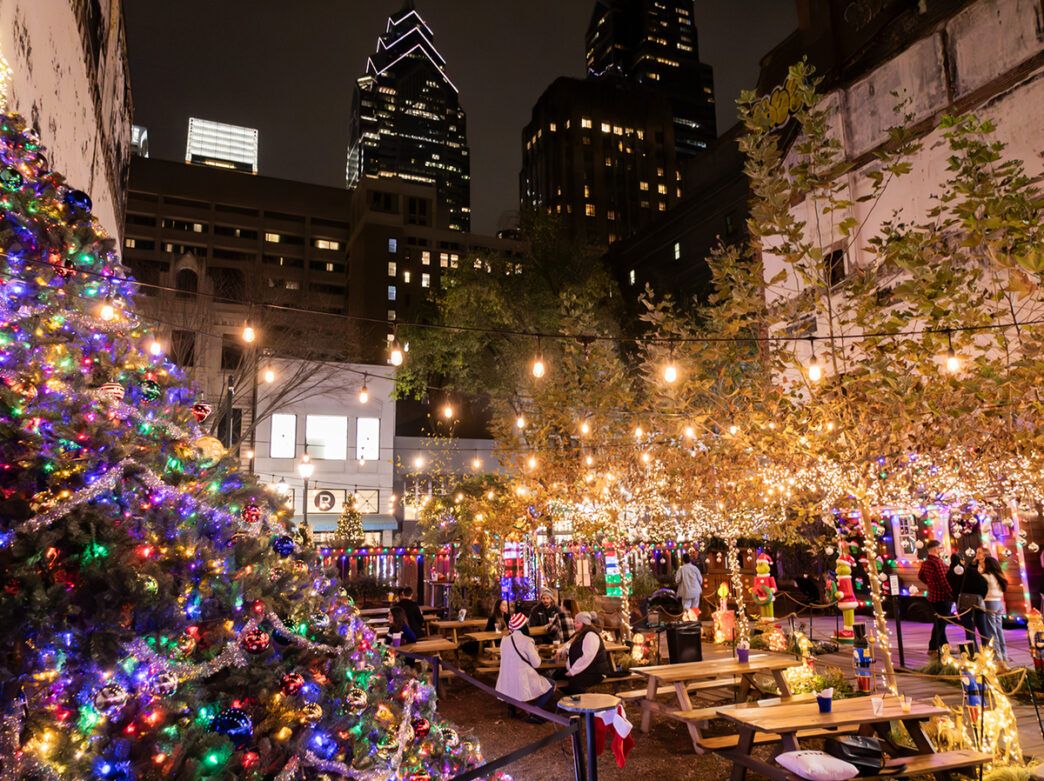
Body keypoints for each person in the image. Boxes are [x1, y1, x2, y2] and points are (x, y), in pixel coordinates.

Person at [496, 613, 555, 722]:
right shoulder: (527, 641)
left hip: (506, 679)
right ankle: (535, 713)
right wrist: (535, 652)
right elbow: (537, 664)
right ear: (524, 626)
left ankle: (511, 709)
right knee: (552, 685)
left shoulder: (504, 640)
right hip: (523, 678)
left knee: (512, 683)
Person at [554, 612, 610, 695]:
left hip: (595, 671)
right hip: (585, 668)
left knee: (574, 683)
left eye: (577, 622)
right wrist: (560, 652)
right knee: (557, 676)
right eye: (574, 622)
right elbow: (568, 644)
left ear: (584, 624)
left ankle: (580, 703)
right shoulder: (579, 634)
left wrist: (573, 671)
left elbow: (587, 657)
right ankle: (568, 698)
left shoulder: (590, 635)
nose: (574, 624)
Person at [918, 540, 954, 657]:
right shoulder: (938, 563)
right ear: (935, 550)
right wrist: (952, 594)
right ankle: (932, 647)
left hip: (932, 596)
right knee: (940, 623)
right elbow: (944, 581)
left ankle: (945, 646)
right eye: (940, 548)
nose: (941, 550)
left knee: (940, 622)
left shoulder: (926, 563)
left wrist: (931, 585)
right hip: (942, 597)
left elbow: (921, 576)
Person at [956, 550, 988, 651]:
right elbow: (984, 587)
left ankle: (974, 653)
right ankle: (987, 652)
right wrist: (981, 596)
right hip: (978, 601)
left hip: (964, 602)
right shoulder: (978, 574)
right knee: (983, 629)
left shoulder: (965, 572)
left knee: (969, 630)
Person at [979, 554, 1010, 662]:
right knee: (998, 630)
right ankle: (1004, 653)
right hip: (999, 603)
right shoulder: (998, 575)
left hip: (989, 602)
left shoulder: (985, 576)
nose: (980, 564)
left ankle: (997, 657)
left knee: (991, 630)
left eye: (982, 563)